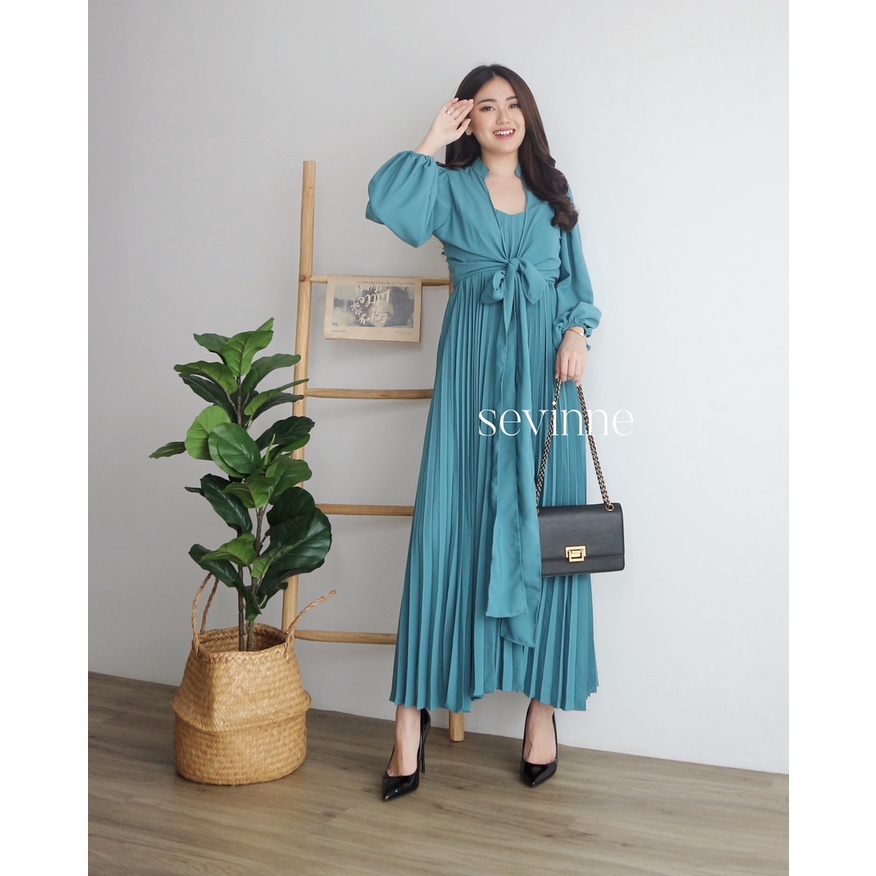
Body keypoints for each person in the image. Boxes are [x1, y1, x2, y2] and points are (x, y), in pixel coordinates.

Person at [365, 63, 603, 801]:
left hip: (545, 384)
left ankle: (543, 711)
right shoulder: (446, 186)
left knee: (551, 535)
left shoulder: (554, 199)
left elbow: (579, 290)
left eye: (512, 104)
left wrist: (577, 333)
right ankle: (410, 722)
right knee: (448, 531)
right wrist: (431, 139)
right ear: (469, 118)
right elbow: (386, 203)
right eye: (486, 106)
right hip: (472, 379)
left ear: (528, 115)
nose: (503, 117)